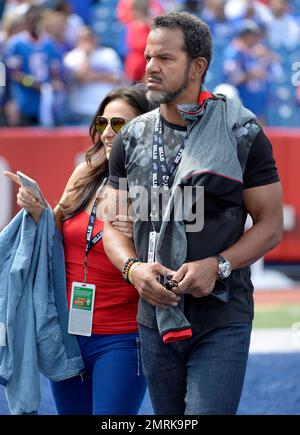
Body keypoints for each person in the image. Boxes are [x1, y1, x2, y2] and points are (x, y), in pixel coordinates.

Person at [103, 12, 283, 415]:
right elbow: (113, 225)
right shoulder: (130, 138)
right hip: (154, 313)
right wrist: (133, 269)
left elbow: (271, 225)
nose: (150, 67)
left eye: (165, 59)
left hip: (222, 313)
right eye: (149, 56)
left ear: (197, 66)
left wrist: (217, 265)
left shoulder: (242, 132)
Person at [4, 85, 150, 415]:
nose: (108, 133)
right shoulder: (86, 173)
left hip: (122, 336)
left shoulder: (152, 186)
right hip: (68, 333)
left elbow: (170, 251)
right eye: (102, 123)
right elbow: (55, 230)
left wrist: (143, 234)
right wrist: (37, 208)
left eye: (119, 124)